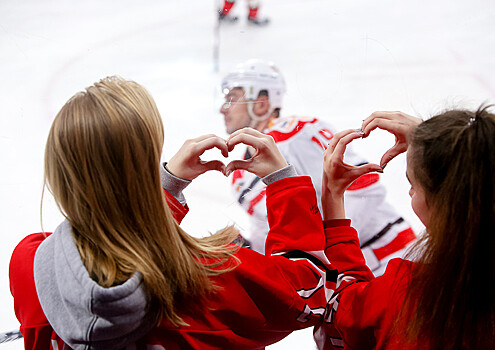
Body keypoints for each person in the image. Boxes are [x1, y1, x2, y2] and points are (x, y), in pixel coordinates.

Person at [8, 76, 360, 350]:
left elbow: (115, 253)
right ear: (145, 168)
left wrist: (165, 189)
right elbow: (312, 290)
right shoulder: (211, 279)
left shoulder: (29, 265)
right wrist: (283, 182)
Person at [319, 107, 495, 349]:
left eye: (413, 184)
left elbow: (341, 312)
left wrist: (332, 198)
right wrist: (440, 141)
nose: (409, 192)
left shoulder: (407, 298)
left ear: (443, 203)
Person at [220, 59, 416, 276]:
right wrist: (250, 250)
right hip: (340, 277)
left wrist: (325, 250)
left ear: (261, 104)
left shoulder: (299, 133)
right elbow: (270, 228)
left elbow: (365, 188)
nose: (223, 108)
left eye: (232, 98)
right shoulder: (240, 175)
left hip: (391, 257)